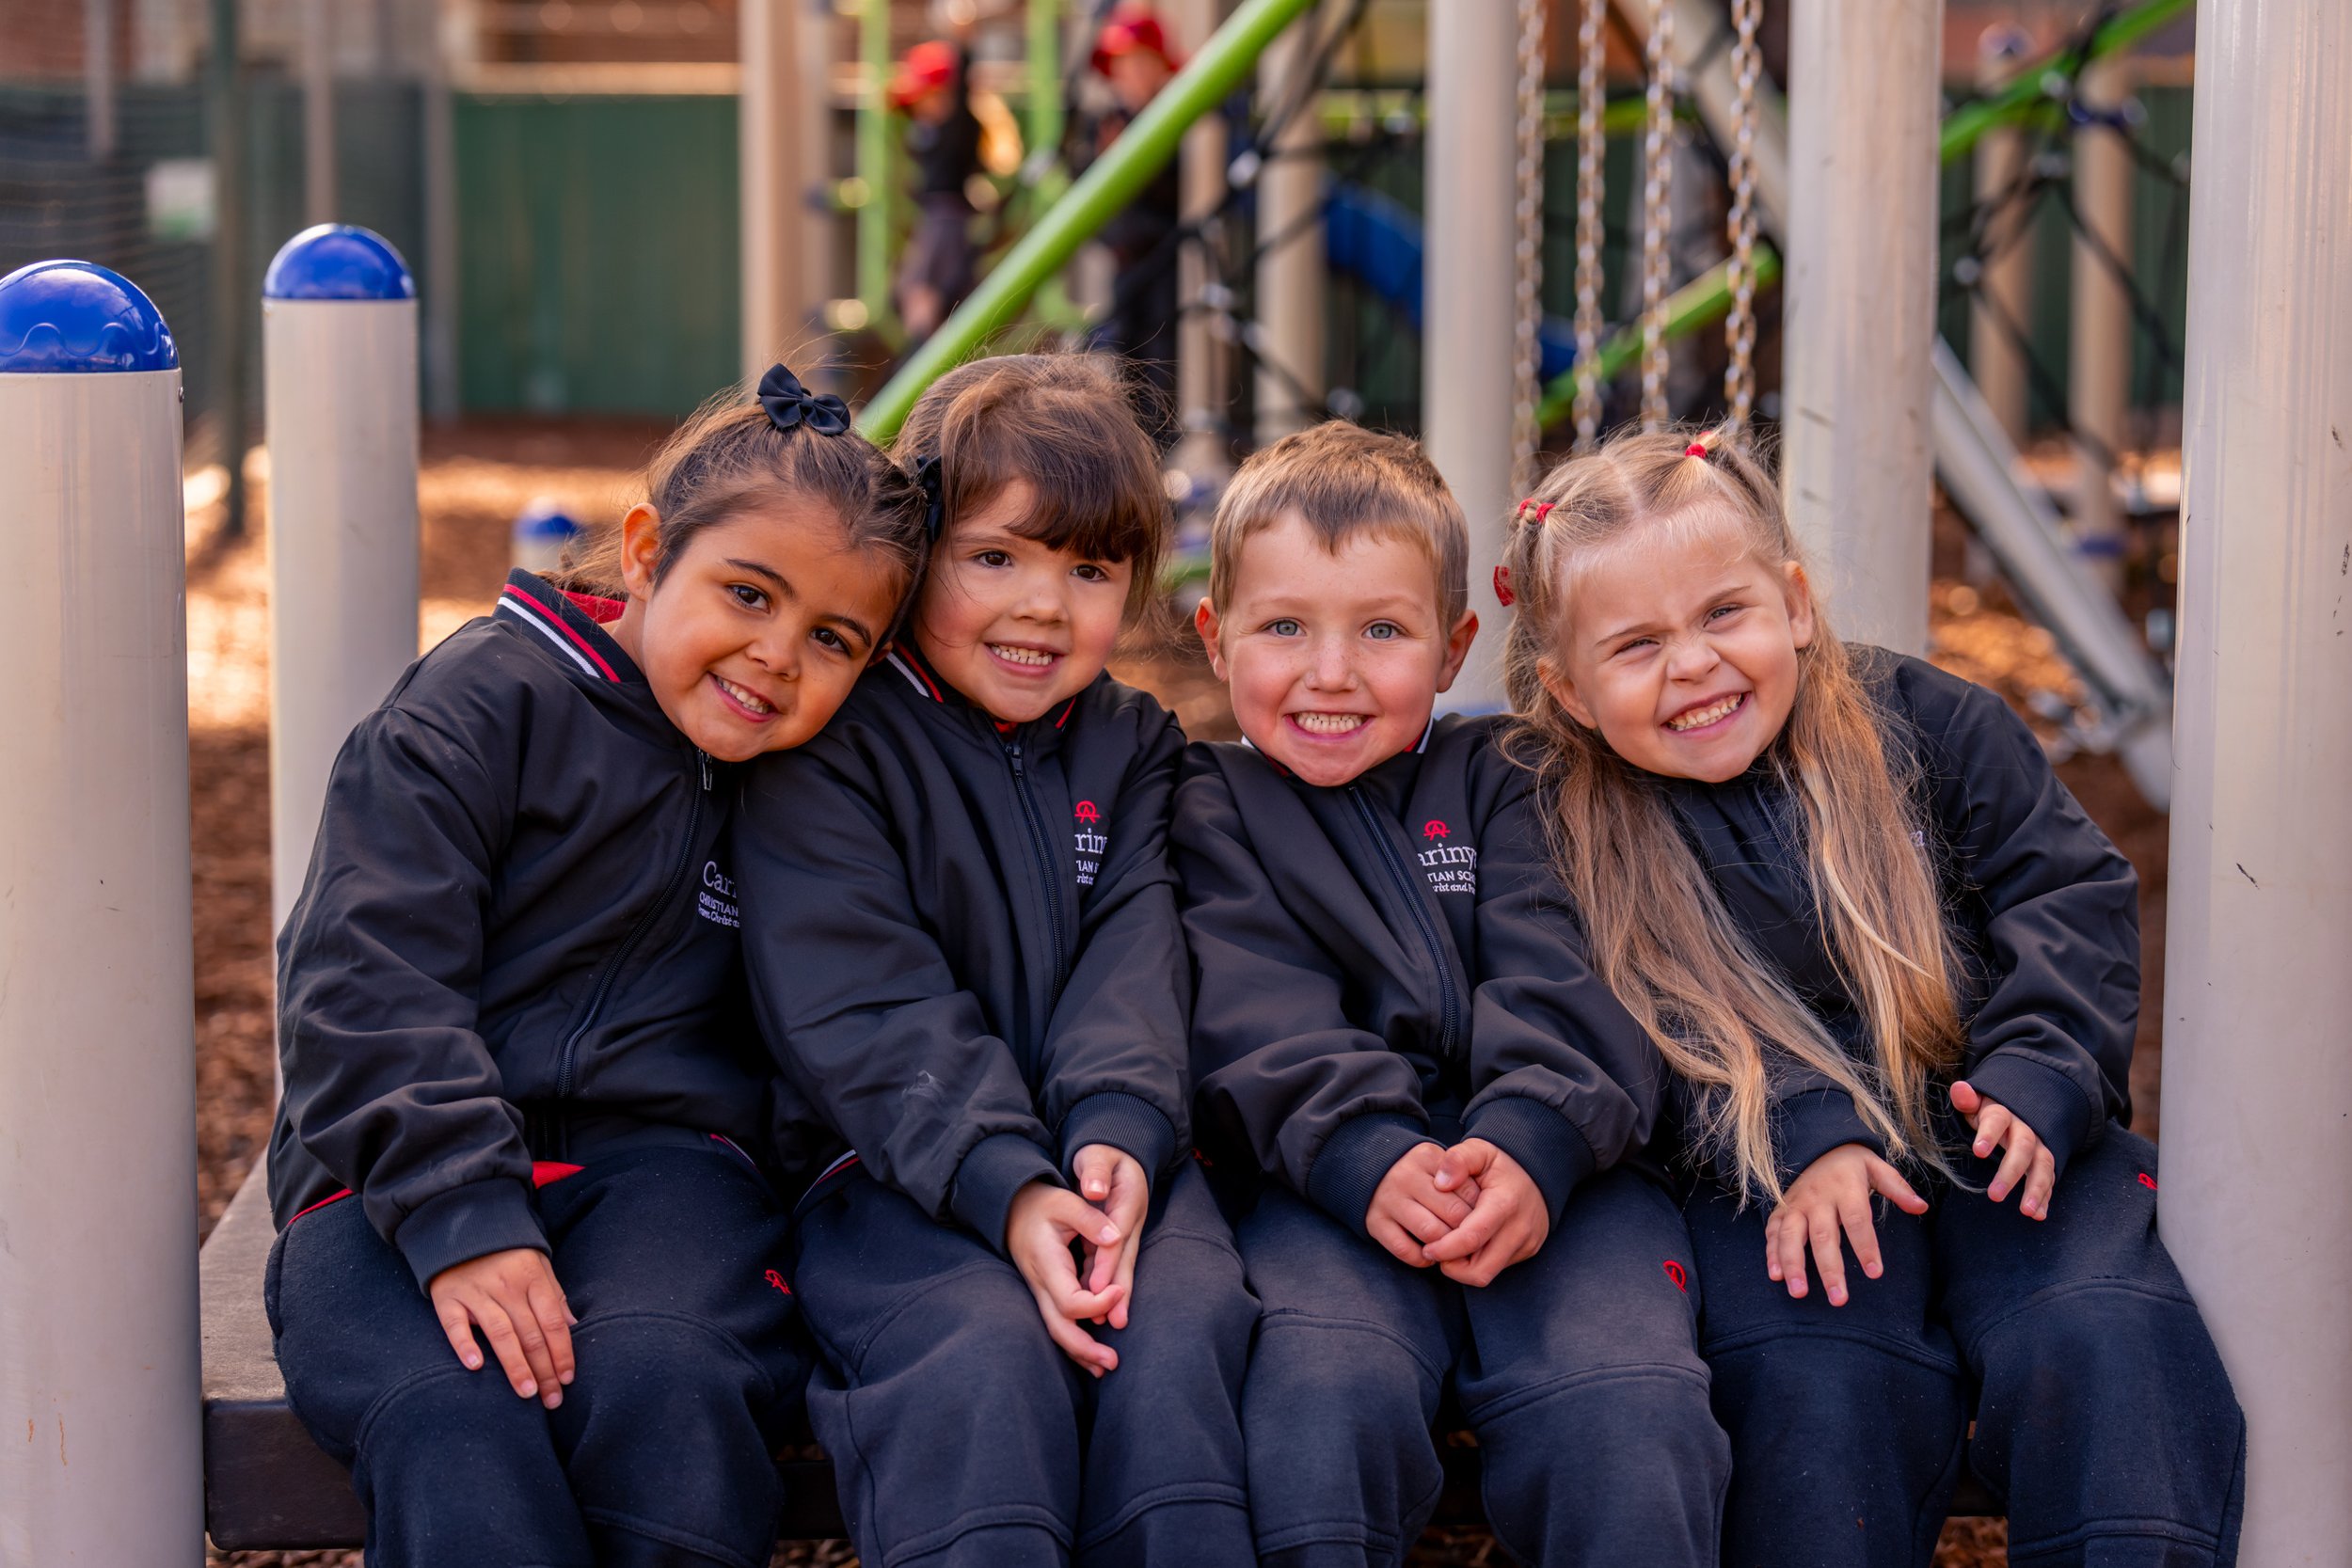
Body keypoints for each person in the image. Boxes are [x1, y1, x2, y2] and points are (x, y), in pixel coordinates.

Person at [1498, 425, 2246, 1568]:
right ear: (1570, 691)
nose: (1694, 664)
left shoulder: (1929, 725)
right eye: (1636, 645)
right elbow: (1631, 1032)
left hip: (1999, 1131)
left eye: (1723, 614)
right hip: (1767, 1168)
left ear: (1795, 601)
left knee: (2106, 1333)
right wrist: (1810, 1135)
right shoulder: (1568, 826)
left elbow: (2067, 894)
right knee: (1813, 1385)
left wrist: (2041, 1071)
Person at [264, 366, 929, 1568]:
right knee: (452, 1416)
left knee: (673, 1381)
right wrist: (464, 1211)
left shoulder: (809, 779)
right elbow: (366, 974)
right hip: (384, 1177)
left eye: (832, 637)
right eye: (747, 592)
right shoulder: (480, 704)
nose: (778, 654)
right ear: (642, 552)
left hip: (666, 1168)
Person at [1173, 421, 1731, 1568]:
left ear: (1454, 645)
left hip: (1564, 1174)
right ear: (1213, 637)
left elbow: (1578, 965)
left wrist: (1533, 1139)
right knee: (1318, 1393)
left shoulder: (1513, 778)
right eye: (1283, 627)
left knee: (1628, 1403)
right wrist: (1366, 1151)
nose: (1330, 672)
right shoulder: (1205, 806)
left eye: (1381, 629)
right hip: (1321, 1182)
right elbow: (1244, 1005)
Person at [735, 353, 1256, 1568]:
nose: (1043, 604)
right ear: (917, 556)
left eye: (1089, 569)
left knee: (1178, 1336)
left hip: (1121, 1161)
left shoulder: (1130, 745)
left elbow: (1137, 953)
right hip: (893, 1171)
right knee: (975, 1357)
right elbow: (861, 997)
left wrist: (1118, 1136)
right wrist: (1006, 1181)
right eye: (996, 556)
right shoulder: (836, 744)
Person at [1079, 7, 1184, 437]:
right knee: (1121, 349)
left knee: (1160, 353)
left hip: (1162, 254)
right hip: (1124, 256)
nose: (1132, 76)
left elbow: (1174, 187)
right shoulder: (1106, 124)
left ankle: (1158, 441)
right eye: (1124, 66)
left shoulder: (1171, 119)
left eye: (1142, 64)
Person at [892, 38, 984, 343]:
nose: (921, 108)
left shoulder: (958, 129)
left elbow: (962, 102)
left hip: (949, 217)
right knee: (914, 289)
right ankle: (922, 344)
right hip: (933, 216)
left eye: (928, 97)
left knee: (932, 290)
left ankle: (927, 342)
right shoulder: (925, 133)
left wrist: (965, 47)